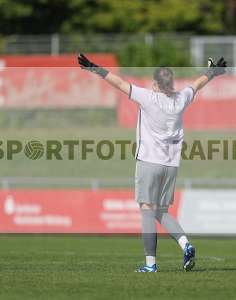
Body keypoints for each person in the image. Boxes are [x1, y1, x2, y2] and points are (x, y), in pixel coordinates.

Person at [78, 54, 227, 272]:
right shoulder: (181, 99)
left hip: (149, 162)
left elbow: (118, 82)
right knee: (160, 211)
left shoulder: (148, 97)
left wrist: (94, 68)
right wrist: (212, 72)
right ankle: (186, 244)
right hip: (171, 165)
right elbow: (197, 84)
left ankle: (150, 264)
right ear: (172, 83)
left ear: (155, 83)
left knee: (147, 210)